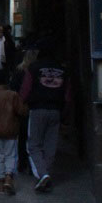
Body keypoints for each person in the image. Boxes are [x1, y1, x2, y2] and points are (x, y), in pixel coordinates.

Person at [20, 41, 70, 192]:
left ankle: (43, 174)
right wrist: (65, 113)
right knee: (50, 146)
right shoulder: (62, 70)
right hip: (56, 110)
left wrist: (21, 102)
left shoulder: (34, 68)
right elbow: (68, 95)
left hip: (37, 109)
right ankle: (46, 173)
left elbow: (26, 89)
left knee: (33, 145)